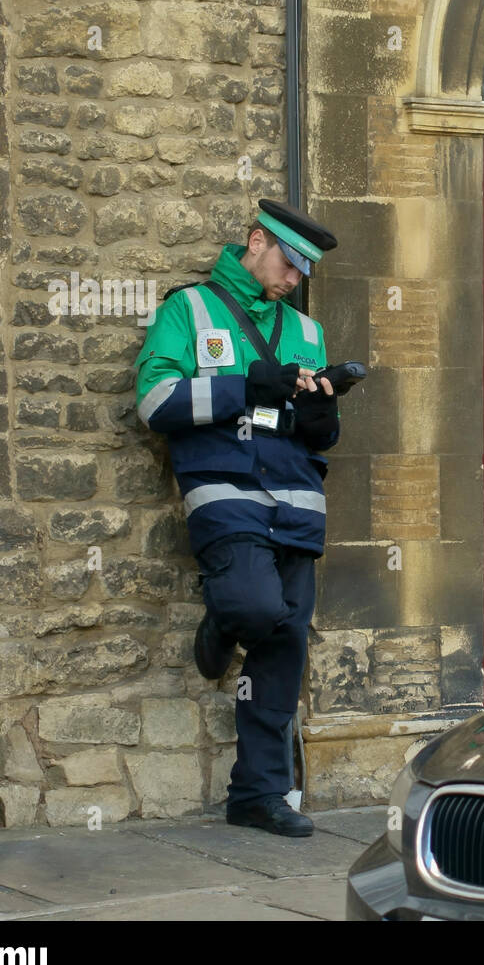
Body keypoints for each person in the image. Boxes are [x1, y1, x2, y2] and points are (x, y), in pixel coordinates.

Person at [133, 198, 341, 837]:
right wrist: (244, 388)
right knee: (254, 610)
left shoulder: (305, 331)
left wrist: (323, 413)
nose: (296, 278)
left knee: (284, 648)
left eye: (305, 269)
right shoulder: (188, 310)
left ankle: (257, 794)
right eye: (289, 261)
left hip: (297, 504)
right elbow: (155, 400)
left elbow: (316, 436)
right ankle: (224, 617)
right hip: (225, 496)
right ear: (257, 240)